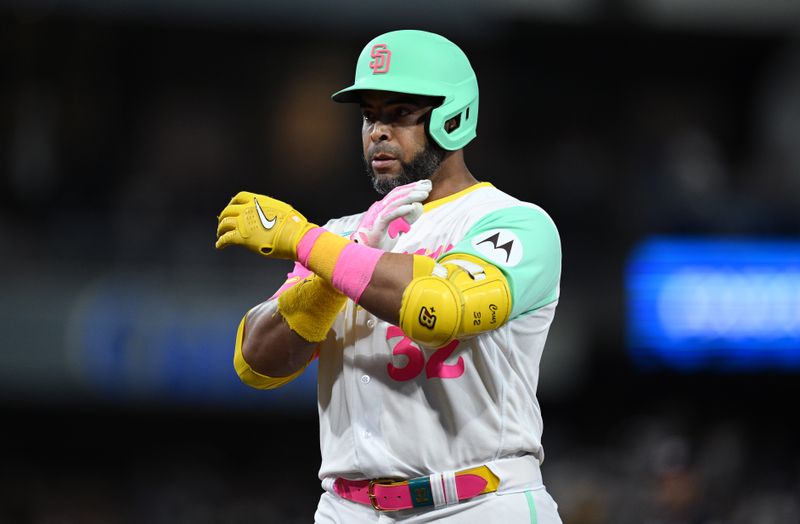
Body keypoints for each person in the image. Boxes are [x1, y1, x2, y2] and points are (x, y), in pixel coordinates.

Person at [215, 29, 563, 523]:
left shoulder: (511, 222)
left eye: (398, 113)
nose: (377, 131)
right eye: (368, 116)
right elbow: (257, 363)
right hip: (347, 508)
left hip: (477, 503)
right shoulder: (345, 237)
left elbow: (438, 307)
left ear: (452, 116)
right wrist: (340, 261)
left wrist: (305, 242)